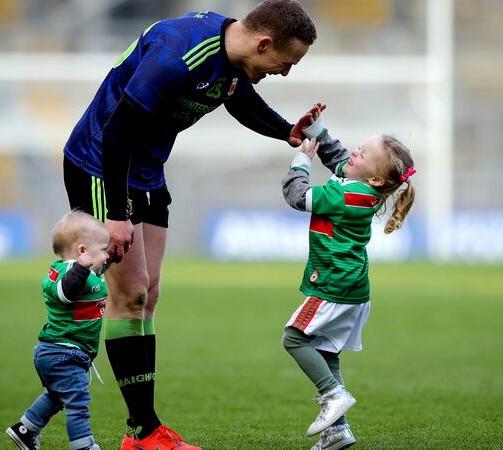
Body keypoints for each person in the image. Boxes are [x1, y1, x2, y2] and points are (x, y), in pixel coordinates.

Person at [61, 1, 318, 449]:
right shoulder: (178, 56)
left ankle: (144, 431)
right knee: (131, 293)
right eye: (286, 61)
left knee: (149, 292)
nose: (285, 72)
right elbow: (118, 129)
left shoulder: (232, 56)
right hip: (100, 165)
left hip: (145, 170)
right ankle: (142, 431)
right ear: (264, 43)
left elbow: (235, 95)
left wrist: (286, 132)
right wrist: (116, 217)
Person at [281, 104, 417, 450]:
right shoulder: (364, 190)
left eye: (364, 153)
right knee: (327, 353)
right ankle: (337, 432)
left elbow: (298, 197)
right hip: (352, 288)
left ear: (375, 178)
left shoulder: (345, 195)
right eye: (361, 146)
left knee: (294, 338)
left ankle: (333, 395)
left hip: (333, 286)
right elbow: (340, 159)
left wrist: (301, 162)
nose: (355, 152)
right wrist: (319, 131)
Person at [6, 211, 110, 450]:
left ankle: (25, 429)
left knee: (57, 395)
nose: (106, 256)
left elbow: (95, 272)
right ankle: (83, 445)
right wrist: (82, 270)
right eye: (104, 250)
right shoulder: (67, 274)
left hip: (65, 353)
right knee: (77, 401)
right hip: (62, 354)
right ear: (83, 252)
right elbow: (67, 291)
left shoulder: (87, 271)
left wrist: (107, 258)